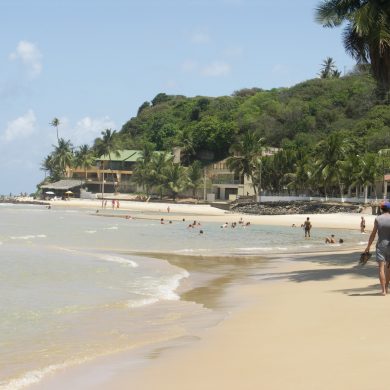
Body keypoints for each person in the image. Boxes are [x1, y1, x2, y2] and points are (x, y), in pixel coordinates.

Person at [365, 201, 390, 295]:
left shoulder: (378, 219)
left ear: (381, 209)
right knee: (389, 268)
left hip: (381, 246)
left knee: (381, 268)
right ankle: (387, 287)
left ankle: (383, 290)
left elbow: (373, 234)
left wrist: (368, 246)